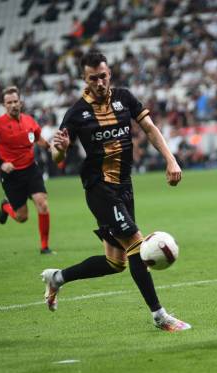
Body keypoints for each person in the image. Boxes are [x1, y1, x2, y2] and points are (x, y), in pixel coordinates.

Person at [44, 51, 190, 332]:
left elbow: (149, 127)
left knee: (115, 262)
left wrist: (170, 159)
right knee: (137, 244)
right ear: (84, 80)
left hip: (124, 186)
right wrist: (59, 150)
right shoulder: (76, 113)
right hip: (99, 188)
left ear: (109, 74)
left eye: (103, 76)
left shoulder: (125, 98)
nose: (99, 82)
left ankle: (57, 278)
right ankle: (160, 316)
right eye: (93, 78)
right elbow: (57, 157)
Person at [0, 86, 53, 254]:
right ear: (4, 105)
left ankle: (44, 247)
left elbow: (38, 139)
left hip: (30, 169)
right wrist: (0, 163)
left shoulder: (29, 120)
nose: (13, 105)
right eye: (9, 102)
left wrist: (51, 147)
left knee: (42, 204)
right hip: (11, 174)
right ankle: (6, 207)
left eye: (15, 101)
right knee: (22, 217)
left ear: (20, 102)